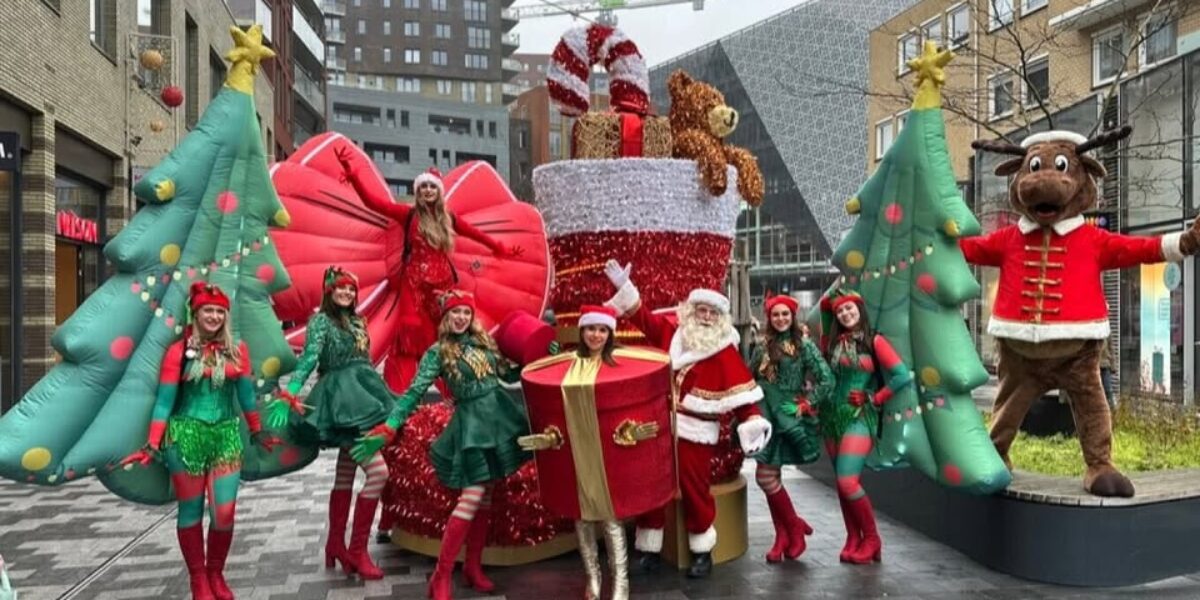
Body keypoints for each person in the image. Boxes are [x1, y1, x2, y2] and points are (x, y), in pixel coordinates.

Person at [352, 290, 531, 600]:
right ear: (446, 318)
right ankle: (441, 575)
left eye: (466, 312)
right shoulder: (437, 352)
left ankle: (472, 567)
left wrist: (537, 352)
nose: (461, 318)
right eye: (455, 313)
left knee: (486, 494)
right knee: (473, 494)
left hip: (498, 418)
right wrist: (391, 424)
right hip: (472, 425)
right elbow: (414, 391)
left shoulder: (484, 342)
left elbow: (507, 373)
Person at [603, 260, 773, 578]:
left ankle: (701, 551)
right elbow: (644, 320)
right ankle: (649, 548)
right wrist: (625, 289)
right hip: (661, 427)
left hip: (697, 430)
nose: (706, 317)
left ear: (720, 318)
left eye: (712, 313)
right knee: (653, 486)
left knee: (695, 490)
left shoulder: (724, 351)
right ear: (691, 312)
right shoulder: (673, 334)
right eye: (701, 311)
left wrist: (752, 421)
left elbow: (743, 395)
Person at [123, 282, 280, 600]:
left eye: (219, 311)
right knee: (191, 510)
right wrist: (153, 442)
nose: (213, 316)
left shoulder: (238, 351)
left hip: (225, 437)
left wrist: (256, 429)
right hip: (185, 438)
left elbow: (247, 397)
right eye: (207, 310)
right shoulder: (178, 352)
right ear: (195, 314)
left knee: (224, 512)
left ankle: (216, 573)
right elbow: (165, 401)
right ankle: (198, 579)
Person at [268, 267, 395, 579]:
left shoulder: (358, 321)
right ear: (329, 291)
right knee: (379, 473)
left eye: (351, 290)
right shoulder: (320, 321)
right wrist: (291, 391)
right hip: (340, 398)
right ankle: (357, 551)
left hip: (362, 392)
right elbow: (310, 358)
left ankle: (335, 544)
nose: (347, 294)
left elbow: (365, 357)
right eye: (341, 289)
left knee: (345, 473)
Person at [818, 289, 913, 565]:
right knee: (840, 484)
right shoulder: (833, 342)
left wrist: (874, 397)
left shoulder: (875, 340)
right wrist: (831, 301)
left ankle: (872, 539)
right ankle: (852, 537)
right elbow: (824, 309)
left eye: (850, 308)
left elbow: (901, 375)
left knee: (848, 482)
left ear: (860, 309)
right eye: (840, 311)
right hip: (832, 416)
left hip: (860, 416)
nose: (845, 314)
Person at [749, 293, 833, 563]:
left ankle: (791, 530)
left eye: (785, 314)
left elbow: (826, 379)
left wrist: (806, 404)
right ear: (769, 318)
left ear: (792, 317)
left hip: (788, 417)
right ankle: (786, 532)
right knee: (768, 478)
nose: (781, 318)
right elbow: (749, 378)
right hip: (767, 417)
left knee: (766, 478)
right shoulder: (762, 347)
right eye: (776, 314)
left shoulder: (804, 346)